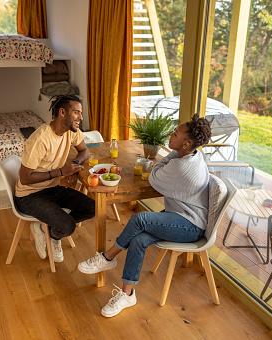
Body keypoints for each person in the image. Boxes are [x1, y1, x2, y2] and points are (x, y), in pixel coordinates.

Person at [78, 114, 212, 317]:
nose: (171, 133)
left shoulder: (182, 167)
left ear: (186, 143)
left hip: (190, 226)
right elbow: (158, 170)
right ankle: (127, 294)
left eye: (175, 133)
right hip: (178, 216)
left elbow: (155, 176)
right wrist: (174, 154)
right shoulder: (192, 155)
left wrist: (170, 157)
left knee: (140, 219)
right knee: (139, 240)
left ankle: (108, 256)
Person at [15, 95, 95, 263]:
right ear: (62, 112)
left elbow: (85, 151)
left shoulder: (70, 131)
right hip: (29, 196)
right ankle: (55, 234)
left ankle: (46, 230)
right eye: (76, 113)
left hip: (52, 189)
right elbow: (25, 178)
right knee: (68, 226)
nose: (81, 117)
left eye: (81, 113)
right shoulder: (40, 139)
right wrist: (61, 171)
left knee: (93, 207)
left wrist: (74, 165)